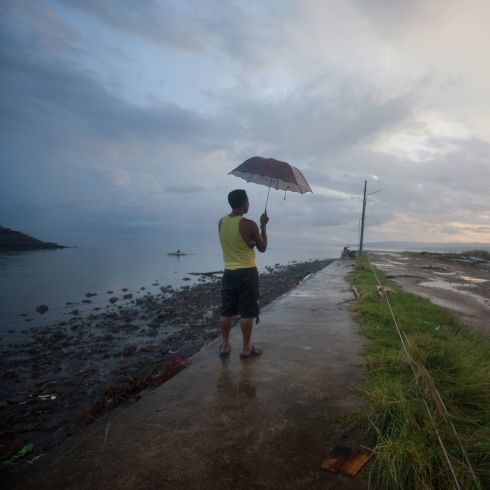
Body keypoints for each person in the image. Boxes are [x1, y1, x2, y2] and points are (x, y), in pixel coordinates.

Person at [218, 189, 269, 359]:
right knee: (247, 312)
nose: (249, 204)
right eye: (247, 201)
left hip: (228, 272)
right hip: (247, 272)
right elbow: (263, 248)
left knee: (226, 311)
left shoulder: (221, 222)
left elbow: (235, 242)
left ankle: (225, 346)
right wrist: (263, 225)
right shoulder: (250, 224)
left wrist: (249, 243)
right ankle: (246, 348)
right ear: (243, 203)